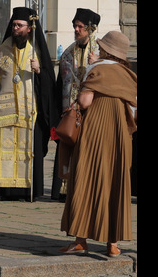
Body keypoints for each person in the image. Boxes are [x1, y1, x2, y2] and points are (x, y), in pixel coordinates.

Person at [59, 31, 137, 257]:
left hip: (95, 132)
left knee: (85, 179)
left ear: (105, 50)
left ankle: (80, 240)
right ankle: (112, 244)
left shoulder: (98, 69)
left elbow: (85, 101)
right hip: (120, 135)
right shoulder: (129, 76)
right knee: (115, 182)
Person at [0, 7, 57, 201]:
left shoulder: (37, 50)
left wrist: (39, 71)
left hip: (30, 112)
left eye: (20, 25)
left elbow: (48, 84)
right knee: (8, 150)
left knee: (30, 152)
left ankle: (30, 190)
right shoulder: (3, 49)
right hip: (7, 109)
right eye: (14, 25)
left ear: (29, 28)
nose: (15, 28)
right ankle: (8, 190)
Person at [52, 8, 101, 201]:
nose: (77, 29)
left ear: (91, 29)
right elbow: (59, 86)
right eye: (75, 26)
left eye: (80, 26)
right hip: (70, 112)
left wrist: (96, 64)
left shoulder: (101, 52)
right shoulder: (67, 54)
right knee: (68, 149)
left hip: (92, 112)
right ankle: (65, 189)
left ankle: (87, 189)